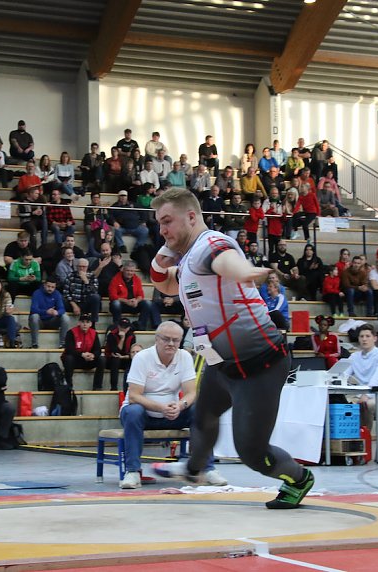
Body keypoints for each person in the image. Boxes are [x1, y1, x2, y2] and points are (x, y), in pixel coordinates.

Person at [148, 188, 314, 508]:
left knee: (252, 452)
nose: (162, 230)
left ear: (191, 217)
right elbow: (163, 283)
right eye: (159, 223)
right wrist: (161, 257)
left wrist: (249, 272)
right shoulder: (188, 262)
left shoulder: (210, 244)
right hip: (222, 363)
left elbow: (227, 261)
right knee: (203, 416)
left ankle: (299, 478)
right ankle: (194, 470)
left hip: (259, 364)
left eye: (167, 221)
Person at [119, 322, 226, 489]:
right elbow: (134, 396)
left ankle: (208, 468)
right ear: (156, 339)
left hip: (172, 414)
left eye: (175, 340)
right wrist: (161, 408)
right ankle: (132, 472)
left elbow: (191, 393)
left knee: (201, 410)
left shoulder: (184, 357)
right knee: (133, 411)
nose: (171, 344)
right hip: (143, 415)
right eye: (166, 339)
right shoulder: (142, 357)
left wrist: (180, 405)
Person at [346, 324, 378, 428]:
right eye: (361, 336)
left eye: (367, 336)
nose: (364, 339)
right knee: (339, 403)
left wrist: (367, 395)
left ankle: (365, 435)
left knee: (365, 404)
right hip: (359, 395)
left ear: (375, 338)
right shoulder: (354, 356)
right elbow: (342, 374)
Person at [61, 315, 105, 390]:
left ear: (90, 324)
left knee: (102, 359)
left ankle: (97, 386)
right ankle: (68, 386)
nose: (85, 324)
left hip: (88, 360)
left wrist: (93, 355)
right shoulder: (71, 332)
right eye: (82, 322)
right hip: (76, 360)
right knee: (68, 358)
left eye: (87, 322)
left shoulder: (94, 333)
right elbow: (69, 349)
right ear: (79, 323)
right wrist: (82, 354)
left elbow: (98, 350)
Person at [108, 260, 153, 330]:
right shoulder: (115, 279)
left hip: (133, 304)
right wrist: (126, 301)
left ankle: (141, 326)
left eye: (132, 271)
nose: (130, 273)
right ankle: (117, 325)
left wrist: (136, 301)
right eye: (127, 270)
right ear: (123, 270)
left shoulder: (137, 279)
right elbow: (112, 296)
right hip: (121, 304)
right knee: (115, 303)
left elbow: (141, 295)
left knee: (148, 303)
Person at [29, 277, 71, 349]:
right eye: (48, 286)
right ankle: (34, 344)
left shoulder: (57, 294)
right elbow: (33, 309)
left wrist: (57, 312)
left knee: (65, 317)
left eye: (52, 287)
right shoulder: (37, 293)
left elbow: (62, 309)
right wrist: (46, 311)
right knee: (34, 316)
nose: (50, 289)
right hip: (40, 322)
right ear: (44, 285)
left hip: (52, 321)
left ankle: (63, 344)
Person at [104, 318, 136, 391]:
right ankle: (114, 387)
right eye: (121, 327)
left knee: (134, 361)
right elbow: (115, 352)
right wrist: (122, 339)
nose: (123, 329)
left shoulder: (132, 336)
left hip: (126, 358)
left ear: (129, 328)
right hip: (112, 359)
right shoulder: (111, 334)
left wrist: (124, 357)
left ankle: (131, 387)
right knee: (115, 360)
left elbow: (133, 352)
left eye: (125, 327)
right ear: (118, 326)